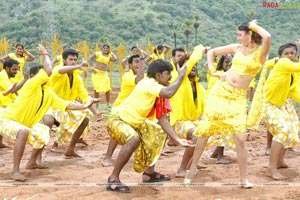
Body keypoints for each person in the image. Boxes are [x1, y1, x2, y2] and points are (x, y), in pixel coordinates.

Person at [184, 20, 271, 188]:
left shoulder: (261, 52)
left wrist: (253, 26)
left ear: (250, 34)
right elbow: (212, 53)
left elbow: (267, 36)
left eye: (240, 34)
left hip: (238, 97)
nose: (237, 38)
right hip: (220, 92)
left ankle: (243, 179)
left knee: (240, 138)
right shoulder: (236, 48)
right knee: (205, 131)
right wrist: (212, 71)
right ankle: (192, 169)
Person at [0, 44, 100, 181]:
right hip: (7, 119)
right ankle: (15, 171)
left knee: (42, 132)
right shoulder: (31, 85)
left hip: (28, 122)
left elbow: (65, 104)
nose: (46, 76)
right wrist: (45, 54)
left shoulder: (49, 92)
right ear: (35, 76)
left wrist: (85, 106)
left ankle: (32, 162)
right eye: (71, 60)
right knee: (27, 130)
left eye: (75, 60)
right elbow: (49, 70)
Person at [105, 59, 193, 193]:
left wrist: (177, 139)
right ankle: (113, 178)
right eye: (168, 74)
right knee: (133, 139)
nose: (170, 77)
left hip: (136, 123)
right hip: (118, 120)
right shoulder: (149, 83)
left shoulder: (155, 90)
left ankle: (149, 173)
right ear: (158, 75)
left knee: (159, 132)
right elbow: (169, 92)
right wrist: (181, 76)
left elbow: (162, 119)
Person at [43, 48, 102, 157]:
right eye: (71, 59)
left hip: (68, 107)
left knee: (85, 119)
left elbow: (83, 95)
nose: (73, 62)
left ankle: (70, 149)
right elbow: (60, 70)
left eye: (75, 60)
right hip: (52, 105)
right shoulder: (57, 70)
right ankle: (39, 151)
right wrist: (78, 66)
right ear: (64, 60)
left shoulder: (77, 78)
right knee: (48, 121)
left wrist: (94, 107)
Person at [167, 46, 207, 177]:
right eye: (190, 65)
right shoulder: (178, 80)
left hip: (193, 121)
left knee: (207, 132)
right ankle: (181, 169)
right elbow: (185, 69)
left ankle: (192, 163)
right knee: (196, 135)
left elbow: (207, 105)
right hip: (179, 122)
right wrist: (200, 51)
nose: (193, 67)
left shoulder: (199, 86)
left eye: (195, 65)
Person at [264, 43, 300, 180]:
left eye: (293, 53)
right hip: (269, 104)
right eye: (287, 53)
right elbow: (265, 65)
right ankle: (271, 168)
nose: (290, 56)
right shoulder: (283, 63)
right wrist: (275, 61)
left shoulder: (290, 70)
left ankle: (279, 161)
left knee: (293, 128)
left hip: (283, 103)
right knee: (283, 129)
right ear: (281, 56)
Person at [102, 54, 145, 166]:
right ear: (130, 65)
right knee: (117, 134)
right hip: (120, 109)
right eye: (136, 62)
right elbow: (139, 80)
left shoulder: (144, 76)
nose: (138, 64)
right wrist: (142, 61)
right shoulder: (127, 76)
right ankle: (107, 157)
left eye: (139, 61)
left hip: (134, 110)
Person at [207, 54, 235, 164]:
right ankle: (220, 156)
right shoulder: (219, 75)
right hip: (217, 106)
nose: (229, 64)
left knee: (224, 130)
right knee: (222, 131)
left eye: (231, 62)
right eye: (226, 62)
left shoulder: (231, 75)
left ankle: (216, 152)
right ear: (221, 64)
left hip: (225, 106)